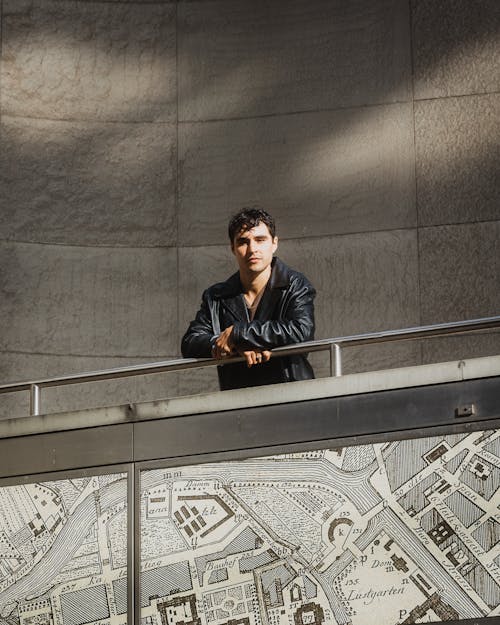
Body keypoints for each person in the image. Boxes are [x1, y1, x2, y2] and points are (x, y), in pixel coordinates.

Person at [181, 208, 316, 390]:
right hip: (239, 401)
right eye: (243, 242)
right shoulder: (217, 296)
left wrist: (240, 333)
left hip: (290, 395)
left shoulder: (295, 284)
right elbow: (191, 342)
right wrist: (231, 346)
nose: (252, 249)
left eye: (260, 240)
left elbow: (302, 330)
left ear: (274, 243)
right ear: (232, 248)